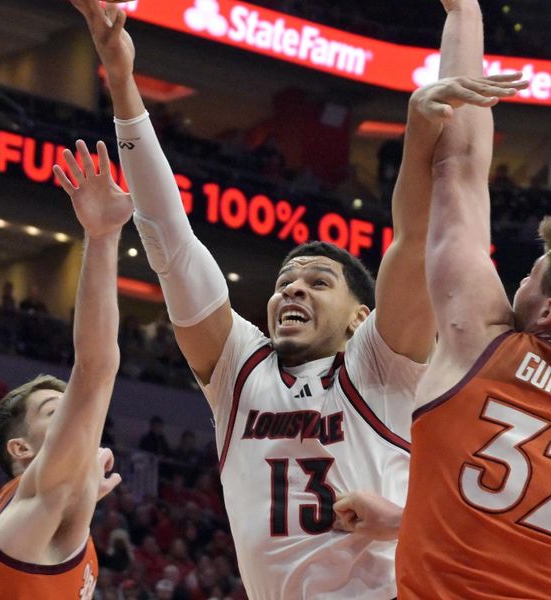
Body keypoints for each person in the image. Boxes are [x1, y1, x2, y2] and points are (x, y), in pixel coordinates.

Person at [69, 1, 524, 597]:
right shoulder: (238, 373)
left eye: (317, 282)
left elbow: (417, 239)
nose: (292, 289)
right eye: (286, 281)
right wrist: (123, 84)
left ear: (362, 317)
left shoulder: (380, 367)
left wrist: (416, 138)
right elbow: (170, 243)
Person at [334, 1, 551, 598]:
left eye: (531, 276)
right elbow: (528, 526)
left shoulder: (480, 344)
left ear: (548, 312)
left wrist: (464, 14)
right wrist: (402, 520)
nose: (516, 282)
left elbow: (459, 169)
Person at [0, 140, 131, 599]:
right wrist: (102, 237)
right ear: (22, 448)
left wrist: (83, 491)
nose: (75, 418)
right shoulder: (38, 503)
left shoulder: (46, 517)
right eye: (55, 412)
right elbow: (95, 368)